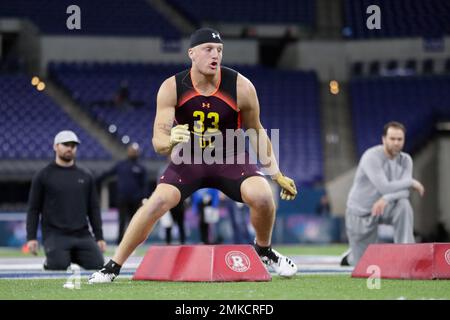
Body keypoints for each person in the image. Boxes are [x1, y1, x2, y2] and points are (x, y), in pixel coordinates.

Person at [89, 27, 298, 283]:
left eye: (219, 50)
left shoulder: (241, 86)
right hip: (189, 159)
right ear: (192, 53)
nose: (215, 55)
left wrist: (275, 173)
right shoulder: (172, 87)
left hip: (229, 156)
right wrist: (169, 142)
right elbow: (158, 141)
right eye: (208, 49)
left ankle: (264, 250)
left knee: (263, 196)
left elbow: (256, 131)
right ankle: (113, 265)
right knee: (156, 203)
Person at [341, 122, 425, 266]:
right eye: (392, 139)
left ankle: (406, 256)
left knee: (403, 205)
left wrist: (387, 198)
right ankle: (350, 256)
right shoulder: (371, 156)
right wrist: (411, 182)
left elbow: (403, 192)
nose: (396, 143)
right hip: (360, 211)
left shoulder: (406, 160)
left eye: (400, 139)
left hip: (385, 206)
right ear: (383, 139)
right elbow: (385, 186)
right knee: (363, 263)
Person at [26, 130, 106, 270]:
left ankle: (71, 255)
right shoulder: (43, 175)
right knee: (58, 265)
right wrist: (31, 237)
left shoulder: (86, 176)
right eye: (66, 144)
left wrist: (99, 237)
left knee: (98, 264)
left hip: (82, 235)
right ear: (55, 146)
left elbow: (93, 208)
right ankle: (56, 258)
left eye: (73, 145)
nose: (70, 148)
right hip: (55, 235)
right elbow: (33, 209)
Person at [97, 143, 148, 244]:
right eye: (131, 150)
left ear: (138, 153)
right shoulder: (121, 165)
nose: (133, 152)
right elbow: (108, 173)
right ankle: (120, 242)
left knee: (134, 222)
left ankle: (132, 242)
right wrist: (95, 179)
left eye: (135, 151)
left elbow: (144, 185)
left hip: (135, 199)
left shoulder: (141, 168)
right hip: (122, 198)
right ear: (128, 151)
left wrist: (144, 198)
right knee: (122, 221)